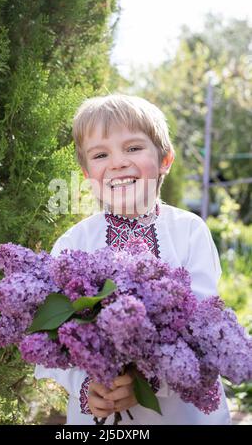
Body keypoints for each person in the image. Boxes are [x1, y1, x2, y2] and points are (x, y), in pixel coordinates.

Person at [35, 94, 231, 425]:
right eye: (100, 154)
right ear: (86, 174)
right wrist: (88, 387)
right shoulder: (72, 244)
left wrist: (148, 382)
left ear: (165, 159)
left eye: (133, 148)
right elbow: (47, 340)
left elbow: (205, 325)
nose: (117, 163)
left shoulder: (189, 232)